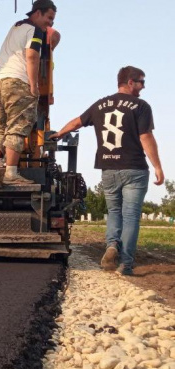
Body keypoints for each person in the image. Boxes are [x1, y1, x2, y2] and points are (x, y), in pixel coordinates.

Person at [49, 66, 164, 276]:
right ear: (130, 82)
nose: (143, 86)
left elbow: (77, 122)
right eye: (141, 82)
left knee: (114, 212)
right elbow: (145, 137)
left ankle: (112, 245)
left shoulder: (101, 104)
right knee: (130, 216)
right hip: (134, 168)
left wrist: (58, 134)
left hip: (108, 168)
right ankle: (126, 265)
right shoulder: (141, 106)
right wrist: (157, 166)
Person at [0, 0, 57, 188]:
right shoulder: (35, 30)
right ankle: (11, 173)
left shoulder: (16, 26)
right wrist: (33, 85)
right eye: (49, 18)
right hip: (18, 83)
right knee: (18, 128)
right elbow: (32, 55)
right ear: (38, 13)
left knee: (0, 129)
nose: (50, 23)